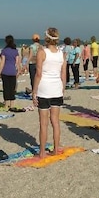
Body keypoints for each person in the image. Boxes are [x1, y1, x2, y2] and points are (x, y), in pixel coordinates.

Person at [32, 27, 67, 158]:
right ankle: (55, 149)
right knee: (55, 121)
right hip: (57, 89)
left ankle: (42, 152)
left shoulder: (42, 52)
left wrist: (34, 92)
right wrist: (62, 88)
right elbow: (63, 73)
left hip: (44, 89)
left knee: (44, 123)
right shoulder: (62, 54)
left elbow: (39, 73)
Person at [0, 35, 21, 110]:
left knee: (6, 88)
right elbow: (17, 63)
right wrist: (18, 71)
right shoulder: (15, 51)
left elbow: (2, 63)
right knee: (12, 88)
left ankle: (6, 105)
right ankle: (12, 104)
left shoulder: (4, 51)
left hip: (5, 71)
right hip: (13, 71)